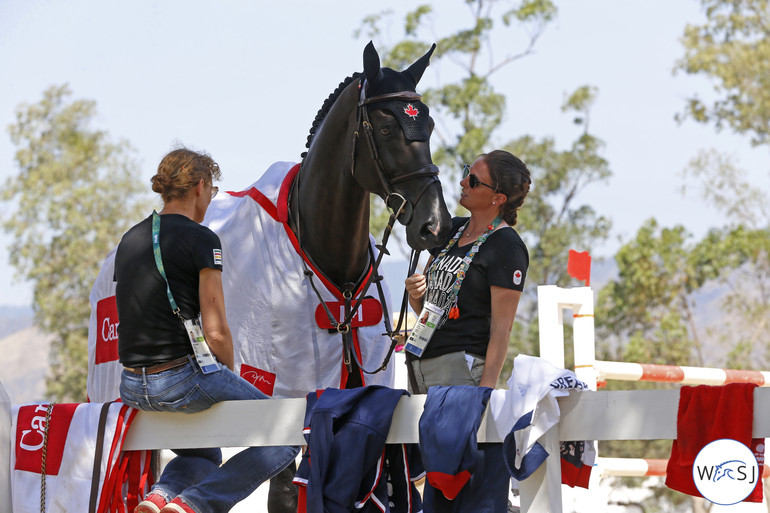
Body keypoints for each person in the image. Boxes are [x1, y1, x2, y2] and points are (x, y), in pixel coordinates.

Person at [115, 148, 298, 513]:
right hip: (180, 380)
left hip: (133, 386)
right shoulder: (202, 239)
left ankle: (160, 499)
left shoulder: (129, 239)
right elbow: (215, 332)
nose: (210, 199)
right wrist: (225, 376)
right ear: (200, 187)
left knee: (203, 454)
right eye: (212, 191)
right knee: (286, 434)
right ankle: (197, 504)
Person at [404, 149, 531, 392]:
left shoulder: (507, 246)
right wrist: (415, 294)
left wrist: (485, 391)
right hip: (420, 361)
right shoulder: (452, 229)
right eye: (466, 173)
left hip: (460, 368)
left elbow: (501, 330)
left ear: (498, 198)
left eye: (473, 180)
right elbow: (428, 309)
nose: (463, 182)